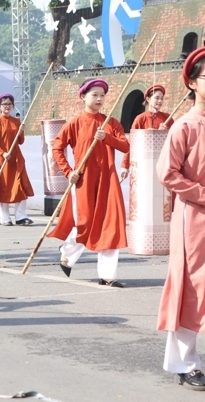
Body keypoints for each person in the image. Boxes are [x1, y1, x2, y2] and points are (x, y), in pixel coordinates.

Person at [156, 47, 205, 391]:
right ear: (192, 82)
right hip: (197, 221)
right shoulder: (183, 127)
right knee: (194, 291)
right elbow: (168, 175)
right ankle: (185, 364)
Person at [49, 78, 129, 287]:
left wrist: (107, 138)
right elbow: (57, 147)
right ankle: (67, 253)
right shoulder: (74, 123)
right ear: (83, 96)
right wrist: (68, 172)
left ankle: (108, 276)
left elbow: (125, 146)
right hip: (84, 180)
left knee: (111, 225)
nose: (99, 98)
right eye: (95, 94)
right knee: (84, 223)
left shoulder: (110, 122)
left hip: (108, 180)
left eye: (102, 95)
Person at [0, 94, 34, 226]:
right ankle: (4, 217)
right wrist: (2, 153)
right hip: (4, 159)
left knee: (21, 185)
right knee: (4, 188)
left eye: (10, 104)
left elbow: (20, 141)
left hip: (17, 158)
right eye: (4, 104)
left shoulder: (17, 121)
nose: (7, 106)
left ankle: (21, 216)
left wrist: (21, 131)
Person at [120, 84, 171, 180]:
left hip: (162, 163)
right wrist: (125, 166)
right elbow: (131, 143)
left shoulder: (167, 118)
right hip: (143, 163)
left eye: (162, 98)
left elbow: (176, 140)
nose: (160, 101)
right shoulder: (140, 119)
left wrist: (166, 133)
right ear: (148, 99)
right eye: (156, 98)